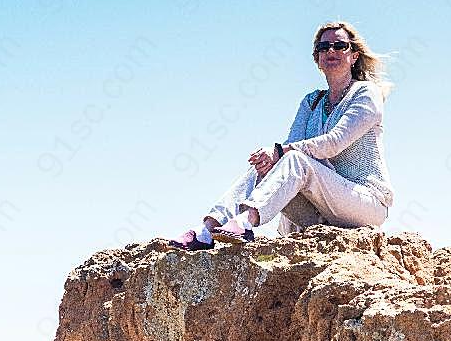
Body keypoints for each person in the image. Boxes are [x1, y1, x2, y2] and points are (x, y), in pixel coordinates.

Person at [165, 20, 395, 249]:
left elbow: (334, 142)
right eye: (324, 48)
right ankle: (206, 231)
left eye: (339, 45)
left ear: (354, 55)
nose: (331, 51)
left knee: (290, 157)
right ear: (317, 59)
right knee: (267, 165)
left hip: (365, 204)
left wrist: (277, 152)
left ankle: (246, 221)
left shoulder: (365, 93)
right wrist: (270, 160)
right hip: (321, 210)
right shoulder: (312, 101)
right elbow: (290, 148)